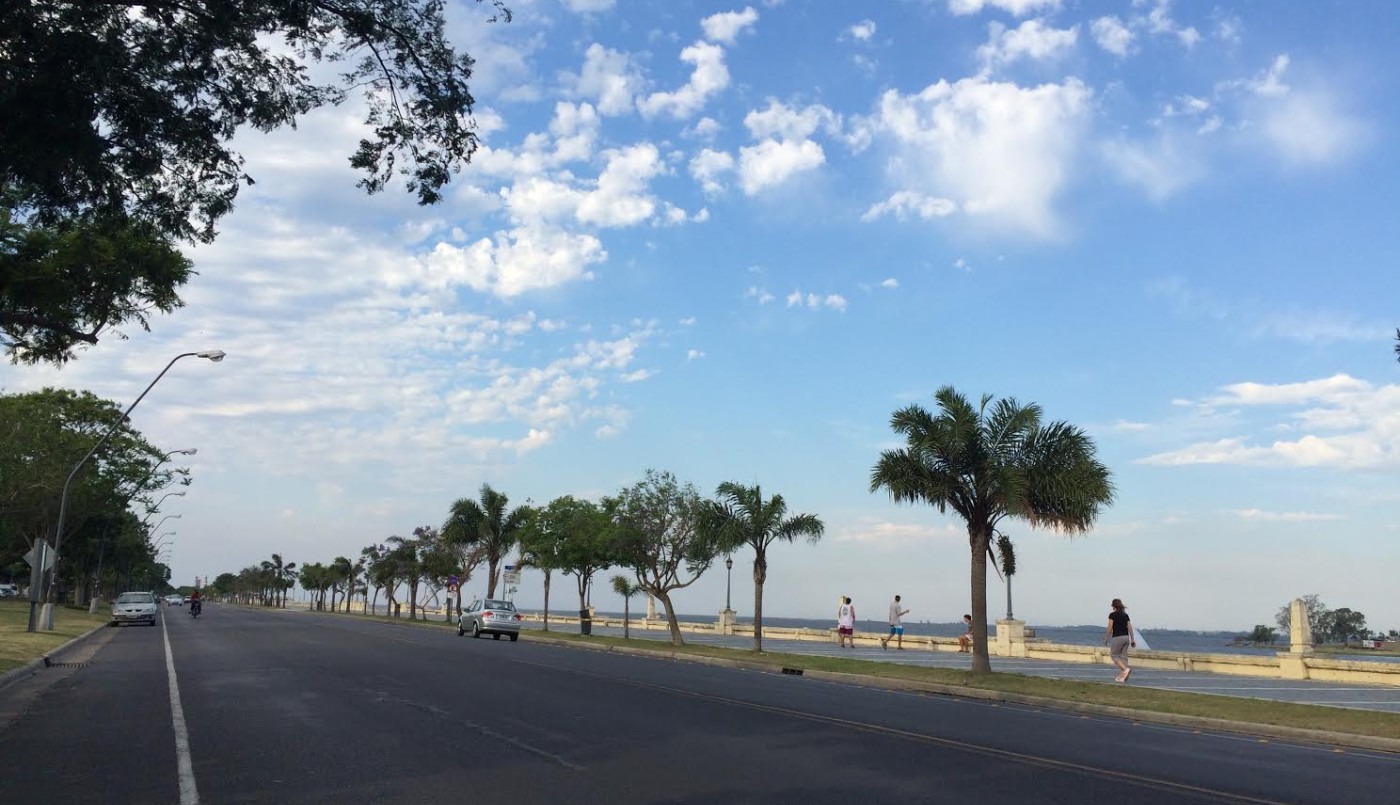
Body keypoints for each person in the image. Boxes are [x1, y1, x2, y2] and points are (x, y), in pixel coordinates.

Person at [1103, 598, 1136, 682]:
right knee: (1123, 657)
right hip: (1126, 638)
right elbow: (1130, 628)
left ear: (1114, 606)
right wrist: (1132, 639)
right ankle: (1123, 677)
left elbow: (1110, 628)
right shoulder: (1125, 615)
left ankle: (1125, 670)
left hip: (1117, 637)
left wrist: (1106, 638)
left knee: (1114, 656)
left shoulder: (1112, 615)